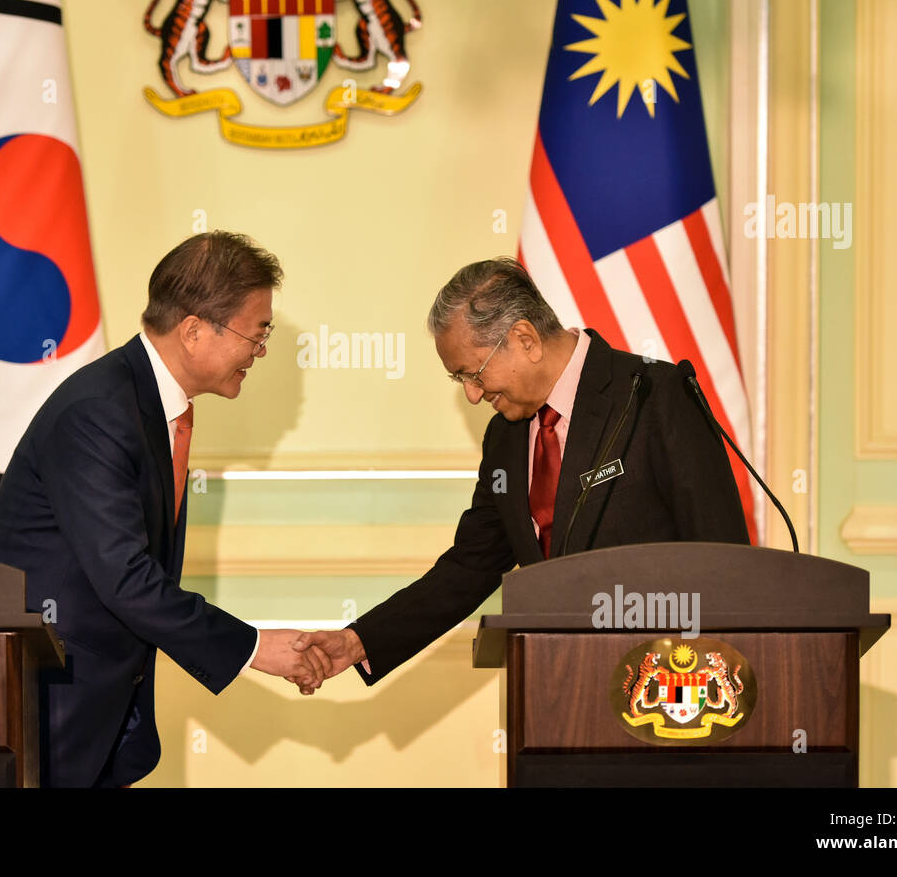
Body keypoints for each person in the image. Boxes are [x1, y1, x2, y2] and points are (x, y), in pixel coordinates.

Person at [0, 231, 330, 786]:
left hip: (104, 696)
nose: (259, 352)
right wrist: (254, 647)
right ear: (193, 330)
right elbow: (127, 579)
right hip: (51, 698)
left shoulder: (146, 404)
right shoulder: (100, 411)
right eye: (256, 335)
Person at [293, 257, 749, 687]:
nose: (472, 395)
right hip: (554, 693)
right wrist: (359, 641)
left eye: (473, 374)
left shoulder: (655, 396)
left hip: (669, 689)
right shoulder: (505, 438)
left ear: (525, 339)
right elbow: (472, 564)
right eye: (460, 381)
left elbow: (723, 556)